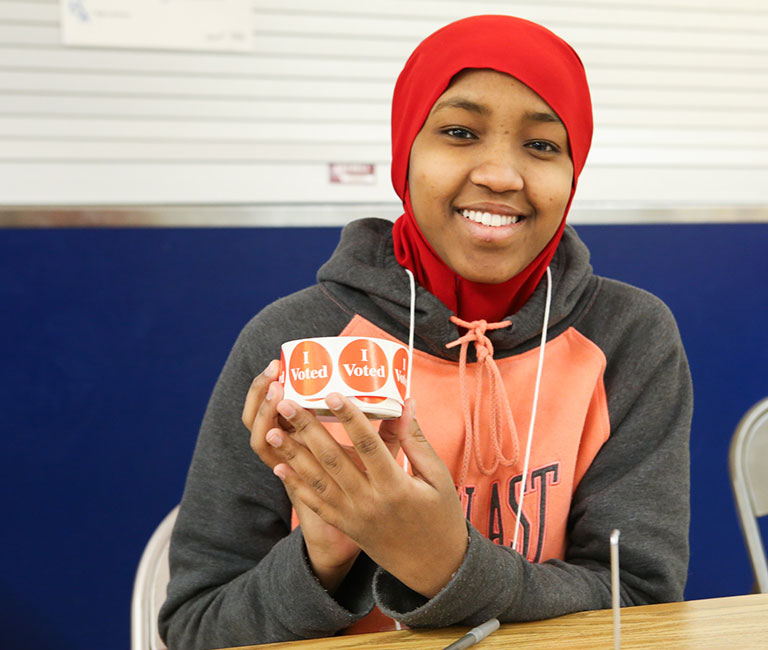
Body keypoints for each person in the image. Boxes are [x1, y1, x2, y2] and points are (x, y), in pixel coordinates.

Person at [159, 14, 692, 649]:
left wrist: (442, 563)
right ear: (404, 149)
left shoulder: (628, 339)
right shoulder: (295, 340)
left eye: (543, 146)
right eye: (460, 132)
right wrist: (323, 557)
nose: (501, 174)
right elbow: (194, 627)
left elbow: (641, 602)